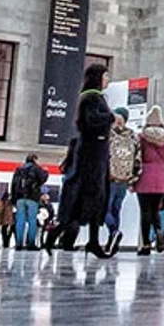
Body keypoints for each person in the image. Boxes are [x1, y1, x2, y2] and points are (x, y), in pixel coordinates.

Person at [47, 64, 114, 255]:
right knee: (91, 196)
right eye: (106, 75)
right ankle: (64, 235)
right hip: (92, 155)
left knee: (95, 198)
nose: (108, 79)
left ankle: (92, 240)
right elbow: (92, 120)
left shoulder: (94, 97)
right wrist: (110, 116)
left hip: (96, 153)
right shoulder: (91, 98)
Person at [134, 105, 164, 255]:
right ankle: (158, 231)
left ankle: (145, 244)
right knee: (155, 210)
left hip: (144, 175)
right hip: (160, 178)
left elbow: (137, 156)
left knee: (144, 211)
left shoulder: (142, 136)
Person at [105, 106, 140, 255]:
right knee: (116, 209)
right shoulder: (133, 136)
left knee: (103, 209)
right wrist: (133, 179)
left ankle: (114, 232)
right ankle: (112, 244)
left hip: (110, 178)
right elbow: (138, 160)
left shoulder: (109, 134)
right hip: (125, 179)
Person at [10, 154, 49, 250]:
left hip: (20, 198)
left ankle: (18, 244)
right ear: (35, 159)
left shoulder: (19, 169)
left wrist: (14, 198)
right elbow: (42, 179)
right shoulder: (36, 168)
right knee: (32, 221)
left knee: (20, 221)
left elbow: (13, 184)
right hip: (32, 198)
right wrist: (46, 172)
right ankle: (31, 244)